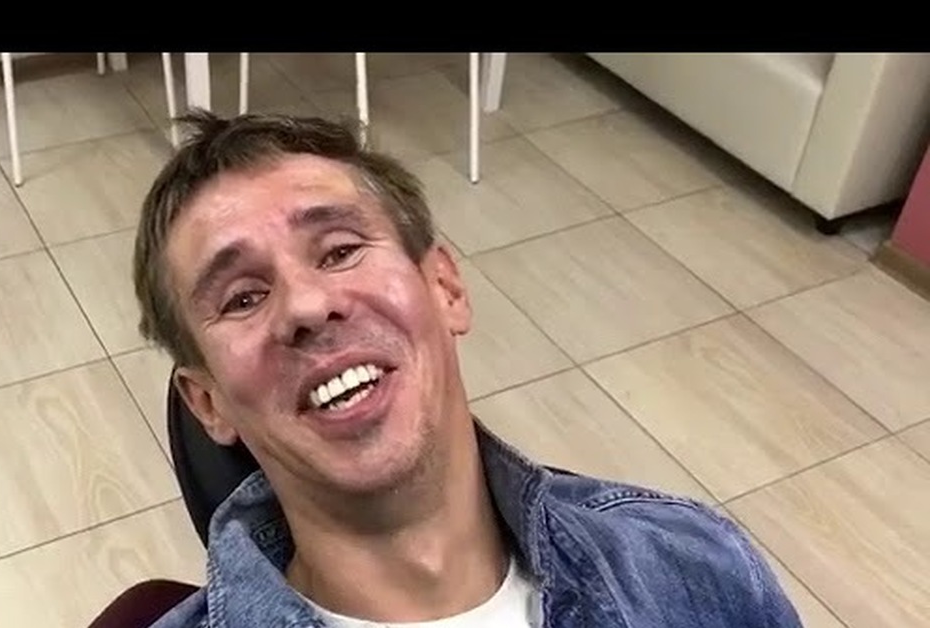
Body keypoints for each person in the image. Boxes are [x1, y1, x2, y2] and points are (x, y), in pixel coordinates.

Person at [131, 110, 802, 627]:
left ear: (445, 288)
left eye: (339, 251)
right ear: (207, 402)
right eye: (243, 298)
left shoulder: (692, 564)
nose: (307, 306)